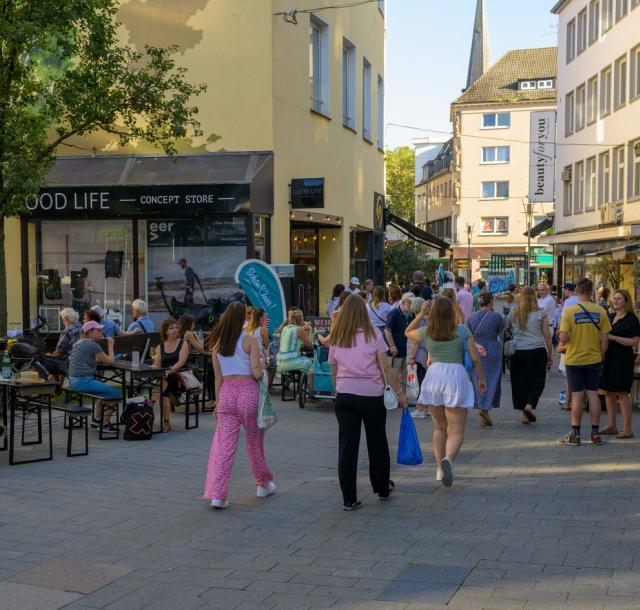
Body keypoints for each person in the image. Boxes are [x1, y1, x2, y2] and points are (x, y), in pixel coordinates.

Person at [328, 294, 407, 510]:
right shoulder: (373, 333)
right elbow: (386, 367)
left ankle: (349, 498)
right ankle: (382, 487)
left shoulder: (338, 334)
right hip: (371, 395)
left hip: (345, 395)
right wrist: (400, 393)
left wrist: (338, 388)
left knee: (347, 447)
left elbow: (333, 367)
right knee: (377, 443)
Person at [405, 297, 486, 487]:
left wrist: (420, 314)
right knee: (456, 430)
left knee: (439, 428)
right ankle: (448, 459)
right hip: (456, 376)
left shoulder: (427, 332)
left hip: (434, 377)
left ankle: (439, 470)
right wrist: (482, 379)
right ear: (451, 313)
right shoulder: (463, 331)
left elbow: (407, 332)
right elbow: (475, 359)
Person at [203, 302, 273, 509]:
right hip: (248, 392)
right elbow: (257, 372)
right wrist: (263, 365)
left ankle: (218, 495)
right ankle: (263, 483)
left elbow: (217, 379)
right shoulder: (249, 341)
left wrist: (217, 402)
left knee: (223, 446)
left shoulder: (217, 345)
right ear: (244, 318)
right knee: (254, 441)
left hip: (226, 393)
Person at [558, 277, 611, 446]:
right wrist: (600, 355)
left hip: (574, 359)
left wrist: (562, 335)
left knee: (577, 395)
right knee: (593, 393)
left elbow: (564, 338)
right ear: (591, 292)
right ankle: (595, 433)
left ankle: (575, 434)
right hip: (594, 358)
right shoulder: (600, 311)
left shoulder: (569, 311)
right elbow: (605, 338)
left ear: (577, 291)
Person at [507, 287, 552, 424]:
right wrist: (550, 355)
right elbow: (547, 336)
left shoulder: (514, 312)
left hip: (518, 351)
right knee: (538, 381)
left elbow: (509, 328)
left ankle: (524, 414)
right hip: (536, 350)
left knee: (521, 382)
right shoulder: (541, 313)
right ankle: (530, 405)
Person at [600, 289, 640, 438]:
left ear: (626, 302)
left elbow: (635, 342)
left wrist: (614, 338)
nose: (615, 301)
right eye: (614, 298)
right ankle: (612, 425)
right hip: (609, 358)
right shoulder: (609, 317)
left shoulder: (631, 319)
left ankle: (627, 428)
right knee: (608, 392)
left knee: (622, 393)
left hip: (623, 359)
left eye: (618, 299)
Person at [68, 320, 120, 432]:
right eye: (99, 330)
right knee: (115, 394)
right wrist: (110, 345)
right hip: (82, 381)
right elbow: (111, 362)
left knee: (103, 392)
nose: (102, 332)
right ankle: (104, 425)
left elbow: (88, 358)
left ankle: (97, 419)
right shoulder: (92, 345)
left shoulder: (79, 343)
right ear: (90, 332)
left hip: (73, 381)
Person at [466, 292, 504, 427]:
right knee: (492, 379)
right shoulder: (496, 317)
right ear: (491, 302)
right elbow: (501, 330)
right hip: (493, 349)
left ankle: (482, 407)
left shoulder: (470, 317)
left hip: (475, 349)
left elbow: (467, 334)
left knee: (478, 379)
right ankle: (485, 408)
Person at [153, 317, 190, 432]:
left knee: (166, 379)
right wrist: (154, 369)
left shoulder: (183, 344)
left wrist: (171, 370)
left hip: (179, 376)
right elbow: (157, 365)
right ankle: (166, 421)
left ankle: (151, 401)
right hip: (165, 378)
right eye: (171, 328)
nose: (174, 330)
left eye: (176, 328)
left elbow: (182, 362)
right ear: (165, 331)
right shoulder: (160, 346)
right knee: (165, 392)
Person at [276, 308, 314, 389]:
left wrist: (303, 328)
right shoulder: (299, 329)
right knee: (311, 365)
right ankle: (308, 390)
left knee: (302, 360)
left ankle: (297, 385)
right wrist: (310, 330)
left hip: (280, 361)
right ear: (301, 319)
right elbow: (310, 344)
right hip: (289, 362)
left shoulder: (286, 328)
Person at [384, 292, 415, 389]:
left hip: (404, 351)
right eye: (411, 303)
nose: (412, 305)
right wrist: (392, 346)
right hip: (394, 352)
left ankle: (403, 400)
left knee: (404, 378)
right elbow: (387, 331)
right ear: (404, 302)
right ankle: (394, 400)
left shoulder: (410, 314)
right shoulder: (394, 312)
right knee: (393, 377)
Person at [407, 297, 429, 419]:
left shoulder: (417, 321)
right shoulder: (428, 320)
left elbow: (415, 341)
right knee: (425, 382)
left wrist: (411, 357)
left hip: (419, 355)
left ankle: (420, 409)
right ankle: (427, 407)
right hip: (427, 353)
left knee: (419, 382)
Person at [558, 282, 578, 408]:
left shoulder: (569, 301)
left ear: (568, 290)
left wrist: (560, 337)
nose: (564, 291)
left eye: (564, 289)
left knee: (569, 375)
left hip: (569, 339)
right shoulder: (586, 302)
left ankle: (567, 402)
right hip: (582, 341)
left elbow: (563, 321)